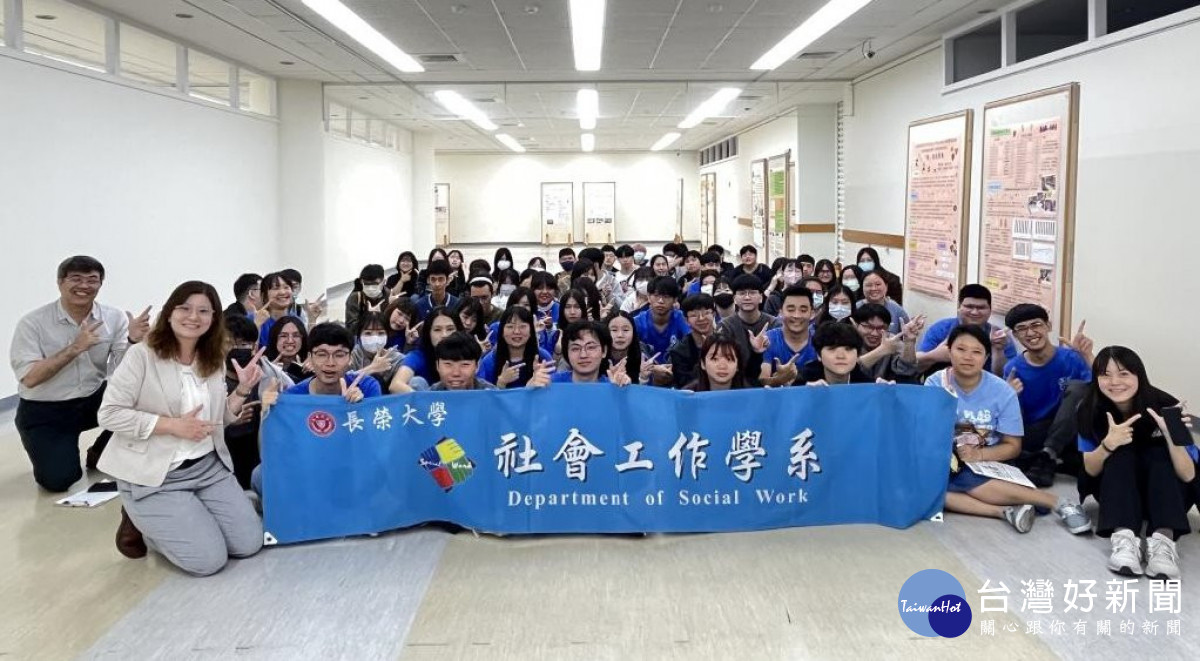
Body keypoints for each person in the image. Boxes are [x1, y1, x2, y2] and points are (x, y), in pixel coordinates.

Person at [97, 281, 263, 575]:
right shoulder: (142, 356)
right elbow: (109, 414)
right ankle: (146, 526)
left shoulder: (211, 357)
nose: (193, 317)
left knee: (248, 544)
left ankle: (189, 518)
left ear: (214, 318)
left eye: (204, 311)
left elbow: (214, 419)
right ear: (170, 312)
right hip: (157, 476)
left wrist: (241, 391)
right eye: (185, 308)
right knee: (208, 561)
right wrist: (173, 426)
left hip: (208, 469)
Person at [925, 325, 1091, 535]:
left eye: (976, 352)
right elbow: (926, 433)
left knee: (945, 481)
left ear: (986, 357)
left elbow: (1012, 446)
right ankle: (1006, 511)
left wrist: (979, 455)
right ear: (949, 352)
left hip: (991, 460)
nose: (967, 357)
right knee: (929, 487)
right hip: (946, 459)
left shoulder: (1002, 391)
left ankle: (1056, 501)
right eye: (961, 349)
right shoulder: (935, 383)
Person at [11, 256, 150, 490]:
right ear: (60, 282)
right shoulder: (33, 323)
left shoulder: (113, 317)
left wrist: (133, 341)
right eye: (76, 279)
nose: (84, 286)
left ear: (100, 284)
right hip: (45, 409)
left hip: (93, 398)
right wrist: (75, 348)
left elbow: (122, 371)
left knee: (147, 396)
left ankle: (102, 451)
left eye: (92, 280)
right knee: (58, 481)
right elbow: (30, 378)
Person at [1076, 346, 1196, 579]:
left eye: (1123, 374)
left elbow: (1188, 475)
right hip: (1117, 491)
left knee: (1160, 455)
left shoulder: (1166, 406)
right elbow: (1089, 469)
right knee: (1120, 454)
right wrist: (1108, 444)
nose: (1115, 382)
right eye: (1105, 375)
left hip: (1166, 491)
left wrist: (1171, 436)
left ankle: (1163, 543)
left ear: (1138, 375)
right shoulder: (1088, 408)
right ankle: (1124, 539)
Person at [1002, 304, 1094, 487]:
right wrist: (1009, 396)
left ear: (1048, 326)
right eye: (1022, 328)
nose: (1030, 333)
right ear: (1015, 335)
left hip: (1069, 427)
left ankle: (1047, 455)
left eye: (1036, 325)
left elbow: (1102, 388)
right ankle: (1049, 456)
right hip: (1035, 431)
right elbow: (1009, 419)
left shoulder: (1072, 358)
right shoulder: (1013, 368)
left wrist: (1088, 356)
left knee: (1079, 388)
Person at [917, 284, 1015, 377]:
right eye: (969, 306)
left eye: (981, 308)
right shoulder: (941, 329)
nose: (975, 312)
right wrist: (935, 356)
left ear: (990, 310)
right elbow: (914, 368)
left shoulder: (1000, 337)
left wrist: (998, 351)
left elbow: (1005, 377)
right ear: (959, 307)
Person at [222, 314, 264, 489]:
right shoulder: (208, 380)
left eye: (244, 344)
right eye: (231, 344)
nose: (237, 349)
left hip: (256, 453)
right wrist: (230, 420)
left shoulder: (266, 376)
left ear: (254, 346)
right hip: (224, 456)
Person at [719, 274, 777, 385]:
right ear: (734, 299)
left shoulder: (774, 324)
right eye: (742, 293)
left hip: (771, 383)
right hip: (736, 384)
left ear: (761, 297)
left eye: (752, 293)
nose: (747, 297)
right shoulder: (726, 326)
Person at [479, 306, 554, 389]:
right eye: (510, 326)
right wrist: (501, 383)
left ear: (531, 331)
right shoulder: (489, 361)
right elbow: (484, 395)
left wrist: (540, 380)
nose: (517, 331)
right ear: (502, 331)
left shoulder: (543, 357)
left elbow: (553, 390)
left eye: (522, 326)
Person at [391, 306, 462, 392]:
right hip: (425, 398)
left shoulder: (467, 355)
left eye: (450, 329)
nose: (444, 335)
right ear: (429, 333)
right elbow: (395, 385)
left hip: (462, 398)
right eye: (437, 330)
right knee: (417, 382)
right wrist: (427, 399)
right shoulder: (419, 356)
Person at [760, 286, 818, 387]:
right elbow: (763, 379)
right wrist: (780, 379)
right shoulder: (769, 339)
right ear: (781, 313)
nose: (796, 315)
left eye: (803, 310)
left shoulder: (820, 340)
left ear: (812, 314)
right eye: (791, 310)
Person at [853, 303, 923, 384]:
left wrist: (909, 342)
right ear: (856, 325)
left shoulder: (891, 340)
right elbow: (849, 371)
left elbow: (907, 371)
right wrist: (882, 350)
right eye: (869, 327)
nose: (874, 333)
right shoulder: (848, 339)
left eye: (881, 328)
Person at [550, 321, 631, 385]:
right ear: (567, 352)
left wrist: (621, 392)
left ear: (604, 351)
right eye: (575, 348)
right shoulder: (552, 384)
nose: (583, 355)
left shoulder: (612, 385)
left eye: (591, 347)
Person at [633, 277, 690, 365]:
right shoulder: (637, 322)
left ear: (675, 299)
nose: (660, 301)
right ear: (648, 297)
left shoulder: (682, 319)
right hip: (645, 370)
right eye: (656, 295)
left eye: (666, 296)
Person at [799, 322, 874, 385]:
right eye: (832, 349)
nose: (841, 356)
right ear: (819, 355)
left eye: (848, 349)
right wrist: (805, 392)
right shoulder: (800, 383)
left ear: (858, 355)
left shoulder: (868, 385)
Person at [670, 293, 717, 389]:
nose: (701, 318)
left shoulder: (728, 343)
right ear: (686, 320)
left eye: (706, 313)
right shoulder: (679, 351)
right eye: (694, 315)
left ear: (714, 314)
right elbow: (684, 384)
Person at [349, 311, 404, 392]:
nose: (375, 337)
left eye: (381, 333)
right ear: (359, 336)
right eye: (368, 333)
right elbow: (343, 381)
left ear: (388, 335)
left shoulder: (398, 359)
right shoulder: (351, 355)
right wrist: (371, 368)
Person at [430, 332, 499, 391]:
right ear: (437, 366)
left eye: (464, 364)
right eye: (448, 364)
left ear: (477, 366)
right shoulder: (429, 395)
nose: (456, 373)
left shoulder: (491, 395)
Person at [344, 264, 389, 337]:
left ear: (383, 281)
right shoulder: (355, 298)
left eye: (375, 284)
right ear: (361, 282)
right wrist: (369, 315)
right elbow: (351, 327)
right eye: (367, 284)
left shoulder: (388, 295)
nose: (370, 288)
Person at [255, 272, 297, 347]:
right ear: (264, 295)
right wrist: (257, 326)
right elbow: (249, 350)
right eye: (276, 288)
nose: (282, 292)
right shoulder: (253, 319)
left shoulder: (296, 319)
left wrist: (312, 320)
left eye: (286, 287)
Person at [264, 316, 309, 384]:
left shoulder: (312, 364)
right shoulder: (264, 364)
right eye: (283, 336)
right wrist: (270, 372)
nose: (290, 341)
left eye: (296, 335)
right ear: (274, 339)